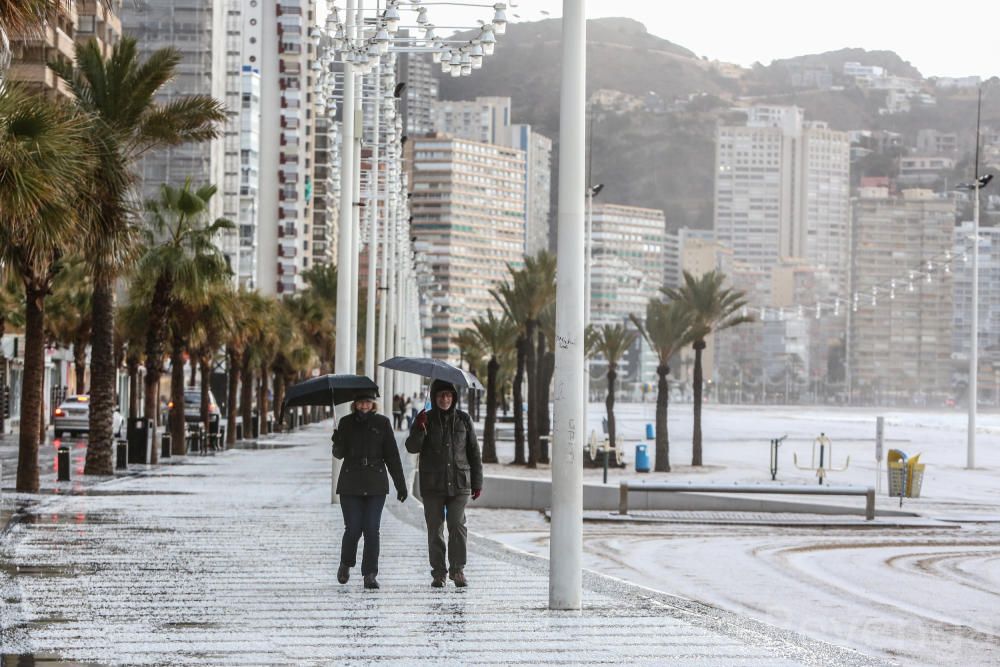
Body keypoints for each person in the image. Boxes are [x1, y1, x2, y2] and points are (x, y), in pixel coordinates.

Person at [405, 379, 483, 588]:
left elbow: (474, 453)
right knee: (435, 528)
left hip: (459, 483)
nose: (445, 399)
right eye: (441, 395)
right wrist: (419, 428)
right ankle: (438, 572)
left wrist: (477, 482)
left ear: (454, 397)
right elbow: (412, 447)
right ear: (434, 398)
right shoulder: (425, 419)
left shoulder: (464, 420)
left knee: (457, 525)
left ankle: (457, 570)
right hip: (433, 484)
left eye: (449, 395)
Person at [332, 390, 408, 590]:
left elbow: (392, 456)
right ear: (355, 404)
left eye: (368, 402)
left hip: (375, 484)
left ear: (373, 404)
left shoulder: (382, 423)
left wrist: (400, 485)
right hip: (350, 483)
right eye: (360, 402)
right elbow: (339, 454)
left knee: (372, 529)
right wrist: (337, 440)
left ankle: (370, 575)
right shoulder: (346, 423)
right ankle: (346, 563)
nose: (364, 406)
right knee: (354, 529)